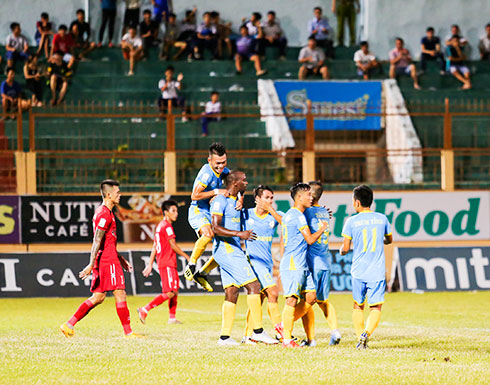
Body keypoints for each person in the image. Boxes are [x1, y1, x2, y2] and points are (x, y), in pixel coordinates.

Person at [60, 180, 143, 339]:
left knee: (98, 297)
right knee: (120, 293)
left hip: (109, 258)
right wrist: (91, 264)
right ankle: (129, 333)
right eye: (117, 193)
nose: (120, 195)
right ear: (108, 194)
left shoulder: (106, 212)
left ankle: (68, 324)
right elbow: (97, 240)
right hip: (107, 260)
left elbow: (107, 241)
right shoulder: (104, 214)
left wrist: (121, 258)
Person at [210, 170, 277, 346]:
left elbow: (238, 194)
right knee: (254, 285)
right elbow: (215, 228)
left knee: (232, 291)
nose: (246, 183)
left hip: (231, 250)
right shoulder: (220, 201)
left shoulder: (235, 201)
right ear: (235, 183)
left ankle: (224, 338)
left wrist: (241, 196)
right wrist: (240, 234)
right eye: (244, 181)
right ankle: (258, 332)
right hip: (227, 249)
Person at [340, 185, 392, 349]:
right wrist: (380, 241)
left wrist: (342, 251)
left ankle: (359, 338)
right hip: (376, 270)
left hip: (358, 270)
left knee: (358, 305)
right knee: (375, 306)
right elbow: (389, 240)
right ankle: (366, 334)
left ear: (356, 202)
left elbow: (346, 248)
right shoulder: (382, 218)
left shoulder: (351, 221)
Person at [280, 183, 327, 348]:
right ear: (299, 197)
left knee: (311, 297)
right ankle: (286, 339)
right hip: (294, 263)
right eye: (308, 195)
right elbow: (310, 239)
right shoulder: (298, 216)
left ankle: (283, 325)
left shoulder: (292, 214)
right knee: (292, 300)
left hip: (300, 262)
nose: (311, 197)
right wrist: (322, 228)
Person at [184, 143, 232, 291]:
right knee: (208, 234)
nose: (221, 166)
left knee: (226, 246)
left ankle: (202, 273)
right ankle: (191, 264)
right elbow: (195, 195)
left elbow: (235, 184)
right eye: (218, 163)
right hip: (198, 211)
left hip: (212, 212)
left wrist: (239, 198)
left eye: (224, 162)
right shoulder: (206, 173)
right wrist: (216, 192)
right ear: (209, 160)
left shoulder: (224, 171)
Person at [242, 185, 284, 344]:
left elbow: (286, 223)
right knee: (273, 293)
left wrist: (271, 210)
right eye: (266, 198)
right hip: (253, 261)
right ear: (257, 199)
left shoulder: (274, 215)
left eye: (272, 198)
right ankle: (280, 332)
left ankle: (248, 336)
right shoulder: (246, 214)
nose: (270, 201)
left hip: (267, 263)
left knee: (258, 298)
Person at [138, 200, 190, 325]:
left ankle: (172, 318)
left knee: (174, 291)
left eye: (177, 211)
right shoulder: (167, 226)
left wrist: (150, 264)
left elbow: (155, 246)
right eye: (173, 211)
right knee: (170, 292)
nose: (176, 213)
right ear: (165, 212)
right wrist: (186, 256)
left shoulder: (160, 226)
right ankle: (145, 309)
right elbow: (172, 244)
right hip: (167, 262)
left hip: (165, 262)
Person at [305, 181, 341, 346]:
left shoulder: (305, 213)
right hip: (326, 261)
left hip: (312, 262)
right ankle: (335, 331)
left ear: (310, 195)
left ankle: (309, 339)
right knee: (323, 300)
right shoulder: (324, 213)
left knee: (306, 300)